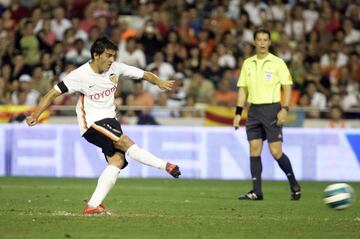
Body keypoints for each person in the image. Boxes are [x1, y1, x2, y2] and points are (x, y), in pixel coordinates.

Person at [26, 37, 181, 215]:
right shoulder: (79, 75)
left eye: (113, 56)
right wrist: (35, 114)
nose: (111, 60)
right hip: (92, 123)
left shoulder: (116, 68)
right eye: (108, 55)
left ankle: (92, 205)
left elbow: (144, 74)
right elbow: (52, 93)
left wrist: (159, 82)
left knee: (117, 161)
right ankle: (166, 166)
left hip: (110, 121)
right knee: (125, 141)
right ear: (95, 54)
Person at [233, 29, 301, 201]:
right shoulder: (248, 63)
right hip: (254, 111)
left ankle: (294, 184)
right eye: (259, 39)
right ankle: (257, 191)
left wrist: (284, 108)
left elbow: (287, 87)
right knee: (254, 149)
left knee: (275, 151)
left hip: (272, 110)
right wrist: (238, 113)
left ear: (269, 42)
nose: (262, 43)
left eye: (265, 40)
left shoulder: (277, 63)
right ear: (254, 42)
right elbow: (243, 89)